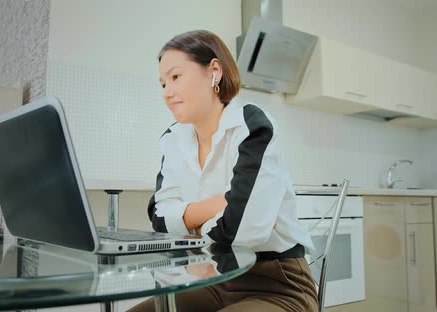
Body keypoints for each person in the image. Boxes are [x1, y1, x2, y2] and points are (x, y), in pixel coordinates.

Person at [128, 30, 318, 312]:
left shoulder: (252, 126)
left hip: (277, 284)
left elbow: (243, 229)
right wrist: (221, 204)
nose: (167, 92)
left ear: (213, 72)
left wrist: (192, 220)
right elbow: (159, 220)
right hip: (211, 280)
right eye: (162, 83)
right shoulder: (172, 138)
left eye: (175, 77)